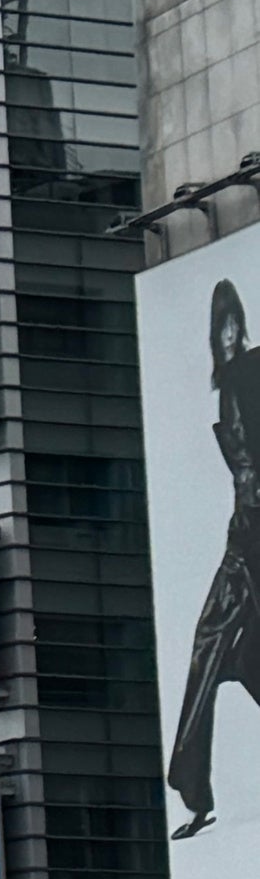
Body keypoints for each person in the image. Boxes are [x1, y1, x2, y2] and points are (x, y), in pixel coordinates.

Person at [173, 276, 260, 839]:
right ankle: (194, 791)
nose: (227, 333)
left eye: (233, 322)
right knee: (211, 646)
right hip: (244, 533)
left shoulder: (253, 370)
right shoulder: (226, 382)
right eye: (219, 324)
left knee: (239, 652)